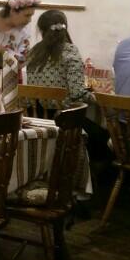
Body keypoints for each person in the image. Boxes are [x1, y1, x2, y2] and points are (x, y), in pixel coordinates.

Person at [26, 10, 111, 164]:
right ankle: (85, 174)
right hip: (64, 120)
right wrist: (99, 97)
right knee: (104, 136)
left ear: (41, 29)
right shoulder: (70, 51)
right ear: (65, 27)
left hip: (37, 118)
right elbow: (77, 93)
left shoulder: (34, 52)